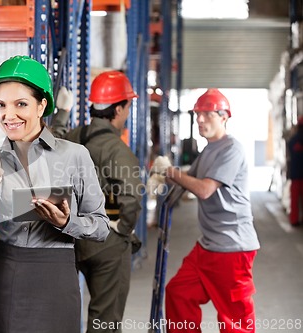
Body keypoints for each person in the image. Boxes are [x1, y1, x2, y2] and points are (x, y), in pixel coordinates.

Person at [0, 55, 110, 333]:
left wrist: (66, 224)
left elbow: (102, 227)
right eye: (1, 105)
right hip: (5, 276)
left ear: (42, 105)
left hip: (55, 277)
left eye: (20, 104)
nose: (9, 115)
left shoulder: (74, 156)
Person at [160, 89, 260, 333]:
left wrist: (172, 172)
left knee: (234, 318)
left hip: (232, 248)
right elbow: (187, 179)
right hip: (208, 246)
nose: (201, 120)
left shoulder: (231, 149)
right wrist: (160, 174)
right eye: (197, 115)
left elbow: (204, 190)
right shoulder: (208, 150)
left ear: (224, 116)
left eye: (207, 115)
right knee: (179, 293)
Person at [51, 71, 143, 333]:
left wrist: (62, 113)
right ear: (118, 109)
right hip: (106, 245)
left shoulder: (75, 136)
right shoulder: (117, 149)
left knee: (66, 314)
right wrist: (123, 229)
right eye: (127, 106)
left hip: (72, 237)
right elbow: (132, 198)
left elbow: (51, 143)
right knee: (105, 320)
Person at [287, 115, 303, 226]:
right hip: (298, 175)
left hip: (295, 175)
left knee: (294, 200)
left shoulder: (292, 140)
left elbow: (289, 156)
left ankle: (294, 220)